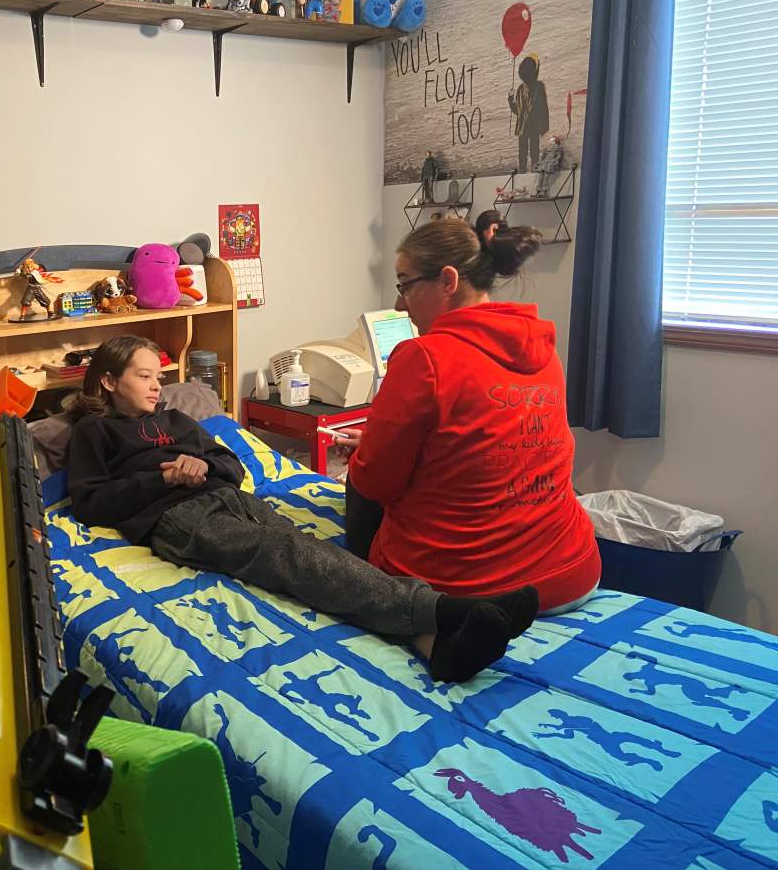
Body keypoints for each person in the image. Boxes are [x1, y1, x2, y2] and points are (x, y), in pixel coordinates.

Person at [65, 335, 538, 683]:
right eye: (144, 376)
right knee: (289, 556)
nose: (157, 386)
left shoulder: (177, 418)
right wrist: (163, 478)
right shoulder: (95, 431)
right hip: (177, 518)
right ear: (108, 380)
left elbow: (232, 465)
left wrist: (205, 466)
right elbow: (90, 503)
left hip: (231, 498)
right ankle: (447, 609)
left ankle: (433, 645)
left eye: (159, 376)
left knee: (310, 551)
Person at [338, 219, 600, 614]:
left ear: (448, 281)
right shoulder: (541, 348)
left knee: (359, 482)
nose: (399, 305)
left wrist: (368, 453)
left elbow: (375, 481)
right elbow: (488, 447)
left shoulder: (424, 357)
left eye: (405, 284)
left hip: (470, 589)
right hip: (573, 572)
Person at [508, 54, 550, 174]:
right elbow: (517, 110)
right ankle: (522, 172)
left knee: (534, 150)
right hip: (522, 127)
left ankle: (534, 170)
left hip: (534, 125)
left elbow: (544, 107)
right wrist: (510, 99)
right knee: (522, 151)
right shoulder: (520, 89)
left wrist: (544, 125)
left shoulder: (539, 87)